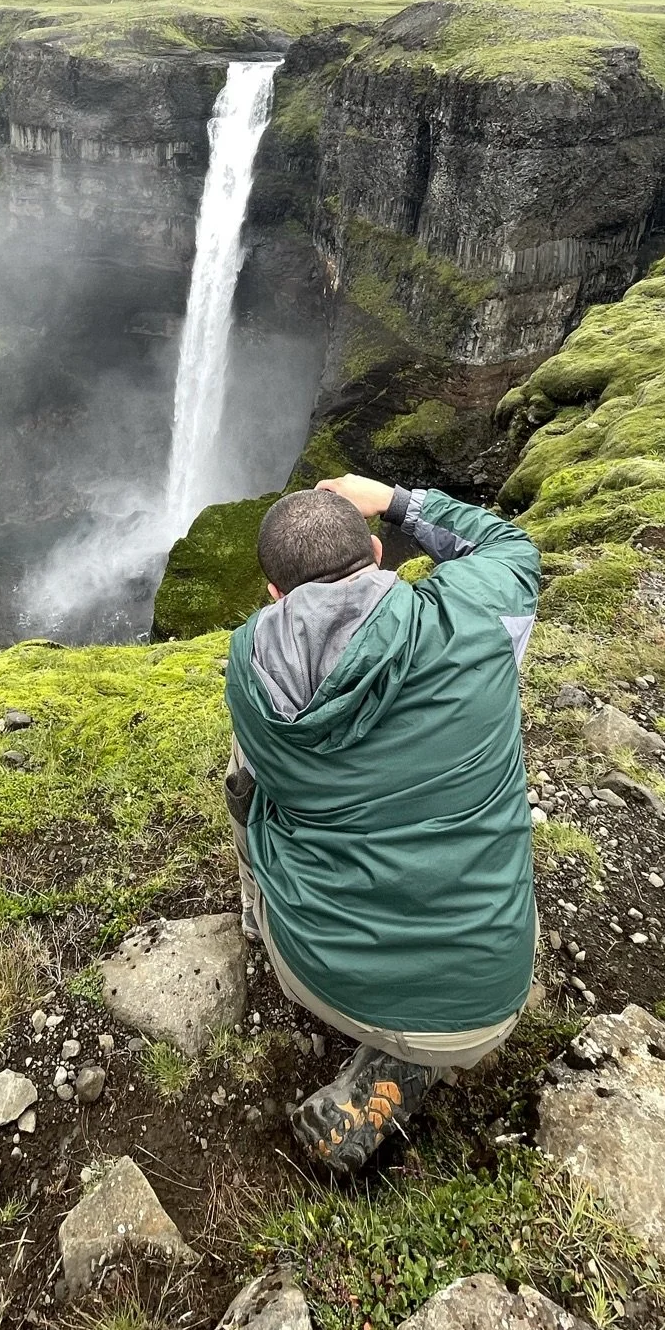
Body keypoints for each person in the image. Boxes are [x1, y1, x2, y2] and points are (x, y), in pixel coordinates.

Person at [224, 472, 540, 1173]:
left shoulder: (248, 661)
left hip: (311, 971)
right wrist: (399, 502)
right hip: (488, 996)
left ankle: (255, 916)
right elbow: (510, 544)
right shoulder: (476, 617)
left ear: (275, 596)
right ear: (378, 550)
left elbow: (259, 787)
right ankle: (407, 1067)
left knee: (245, 770)